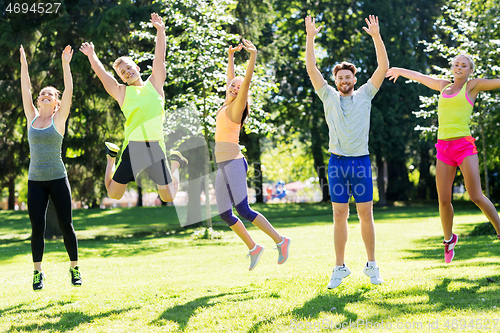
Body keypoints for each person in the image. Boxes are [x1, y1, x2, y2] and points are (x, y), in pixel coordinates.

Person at [387, 54, 500, 263]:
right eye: (456, 64)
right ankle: (449, 239)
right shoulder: (443, 86)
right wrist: (400, 71)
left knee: (475, 195)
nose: (458, 68)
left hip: (464, 146)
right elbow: (421, 77)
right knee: (443, 199)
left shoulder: (472, 86)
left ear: (470, 70)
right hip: (444, 148)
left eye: (463, 65)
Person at [305, 15, 389, 288]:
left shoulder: (365, 94)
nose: (344, 80)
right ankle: (339, 268)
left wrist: (376, 36)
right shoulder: (327, 95)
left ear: (354, 78)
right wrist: (310, 37)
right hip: (336, 163)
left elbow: (383, 66)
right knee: (339, 214)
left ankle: (372, 265)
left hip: (361, 163)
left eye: (348, 76)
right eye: (340, 77)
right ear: (335, 80)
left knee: (366, 213)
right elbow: (311, 68)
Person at [79, 13, 187, 203]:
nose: (127, 72)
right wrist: (91, 55)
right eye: (122, 72)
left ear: (137, 67)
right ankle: (111, 158)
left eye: (129, 68)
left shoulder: (154, 85)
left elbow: (159, 59)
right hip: (134, 147)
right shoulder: (122, 93)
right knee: (114, 193)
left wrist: (161, 31)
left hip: (155, 146)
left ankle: (175, 163)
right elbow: (103, 76)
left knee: (168, 196)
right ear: (122, 78)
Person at [215, 40, 290, 270]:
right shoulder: (227, 100)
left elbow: (244, 82)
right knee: (225, 214)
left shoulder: (237, 107)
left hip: (234, 163)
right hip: (222, 165)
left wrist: (253, 56)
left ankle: (281, 240)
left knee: (244, 210)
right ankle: (254, 247)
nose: (234, 87)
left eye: (238, 88)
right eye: (232, 86)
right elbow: (232, 79)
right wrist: (230, 56)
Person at [20, 45, 82, 291]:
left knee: (66, 225)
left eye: (50, 94)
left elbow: (69, 90)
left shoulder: (59, 118)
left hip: (57, 178)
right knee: (37, 228)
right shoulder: (32, 117)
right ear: (38, 100)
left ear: (56, 103)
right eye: (43, 93)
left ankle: (74, 268)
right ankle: (38, 273)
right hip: (35, 181)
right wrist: (24, 65)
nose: (46, 95)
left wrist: (65, 64)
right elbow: (25, 88)